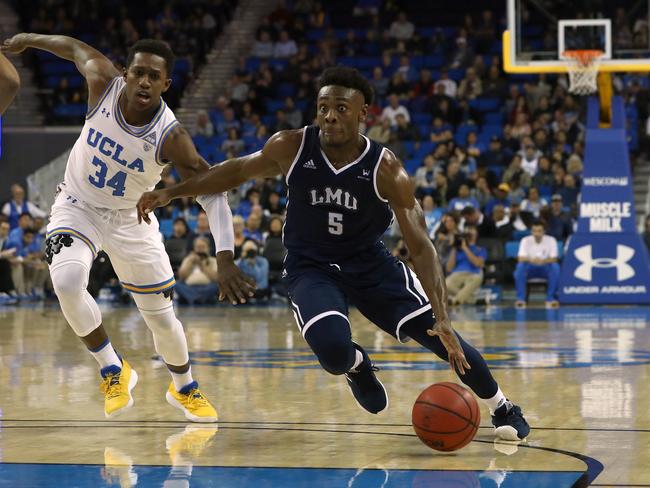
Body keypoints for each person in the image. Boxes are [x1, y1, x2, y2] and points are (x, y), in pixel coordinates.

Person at [138, 66, 530, 441]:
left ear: (363, 113)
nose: (329, 116)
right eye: (323, 107)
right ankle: (357, 366)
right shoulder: (290, 146)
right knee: (333, 352)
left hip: (371, 265)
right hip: (311, 268)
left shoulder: (386, 169)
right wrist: (170, 193)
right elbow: (234, 171)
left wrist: (442, 316)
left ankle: (502, 406)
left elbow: (422, 246)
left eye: (341, 108)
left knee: (443, 339)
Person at [1, 33, 255, 422]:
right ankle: (113, 368)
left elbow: (214, 192)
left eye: (154, 76)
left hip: (130, 218)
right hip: (77, 205)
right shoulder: (102, 82)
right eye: (138, 72)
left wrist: (224, 257)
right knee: (67, 283)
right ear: (125, 72)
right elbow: (71, 47)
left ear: (166, 84)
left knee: (161, 318)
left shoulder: (172, 137)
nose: (144, 82)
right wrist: (26, 40)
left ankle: (183, 387)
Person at [514, 221, 560, 309]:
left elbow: (554, 258)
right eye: (534, 231)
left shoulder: (551, 240)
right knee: (520, 267)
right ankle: (521, 299)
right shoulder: (525, 240)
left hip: (545, 267)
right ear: (531, 231)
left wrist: (543, 261)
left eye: (539, 231)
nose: (537, 233)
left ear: (544, 231)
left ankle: (551, 299)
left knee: (555, 267)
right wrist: (532, 260)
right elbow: (520, 258)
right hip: (530, 267)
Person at [445, 225, 486, 305]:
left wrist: (465, 248)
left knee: (476, 279)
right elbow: (449, 268)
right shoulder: (457, 249)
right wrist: (454, 247)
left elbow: (478, 264)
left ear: (476, 234)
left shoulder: (480, 249)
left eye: (472, 230)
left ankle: (455, 300)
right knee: (446, 283)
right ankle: (474, 300)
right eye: (468, 230)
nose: (469, 232)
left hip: (474, 273)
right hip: (458, 273)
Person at [175, 237, 219, 305]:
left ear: (208, 249)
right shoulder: (188, 260)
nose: (200, 249)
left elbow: (215, 278)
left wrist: (201, 265)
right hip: (189, 287)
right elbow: (182, 277)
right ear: (194, 248)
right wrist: (190, 263)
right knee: (177, 284)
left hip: (207, 287)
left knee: (216, 286)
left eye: (203, 247)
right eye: (198, 247)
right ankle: (198, 298)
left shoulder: (213, 260)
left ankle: (192, 298)